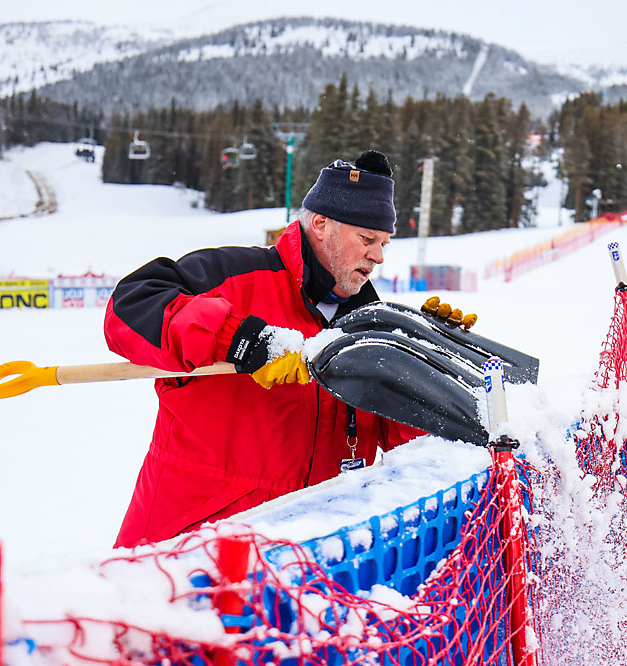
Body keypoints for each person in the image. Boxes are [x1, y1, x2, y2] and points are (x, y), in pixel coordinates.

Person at [104, 150, 423, 548]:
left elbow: (409, 446)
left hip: (306, 560)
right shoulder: (235, 276)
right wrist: (238, 339)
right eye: (367, 239)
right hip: (190, 546)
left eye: (383, 243)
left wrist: (430, 363)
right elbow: (129, 307)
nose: (378, 256)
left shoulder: (369, 328)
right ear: (321, 224)